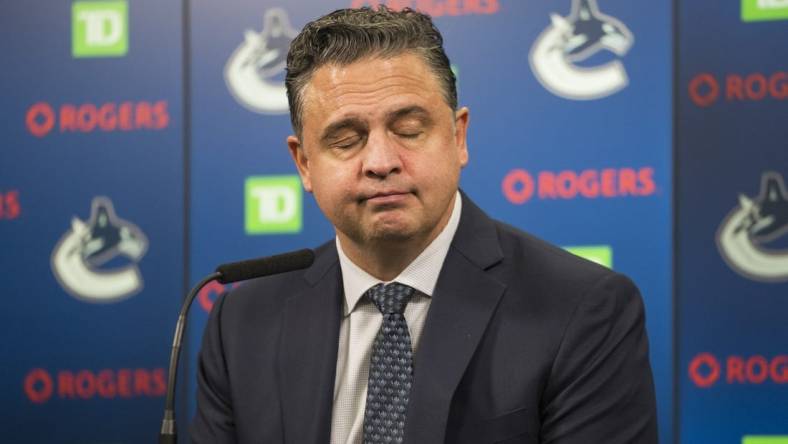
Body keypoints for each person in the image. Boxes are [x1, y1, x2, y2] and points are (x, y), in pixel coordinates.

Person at [191, 6, 658, 444]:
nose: (380, 161)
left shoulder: (582, 310)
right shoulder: (242, 324)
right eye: (347, 140)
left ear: (458, 137)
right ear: (304, 164)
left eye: (409, 130)